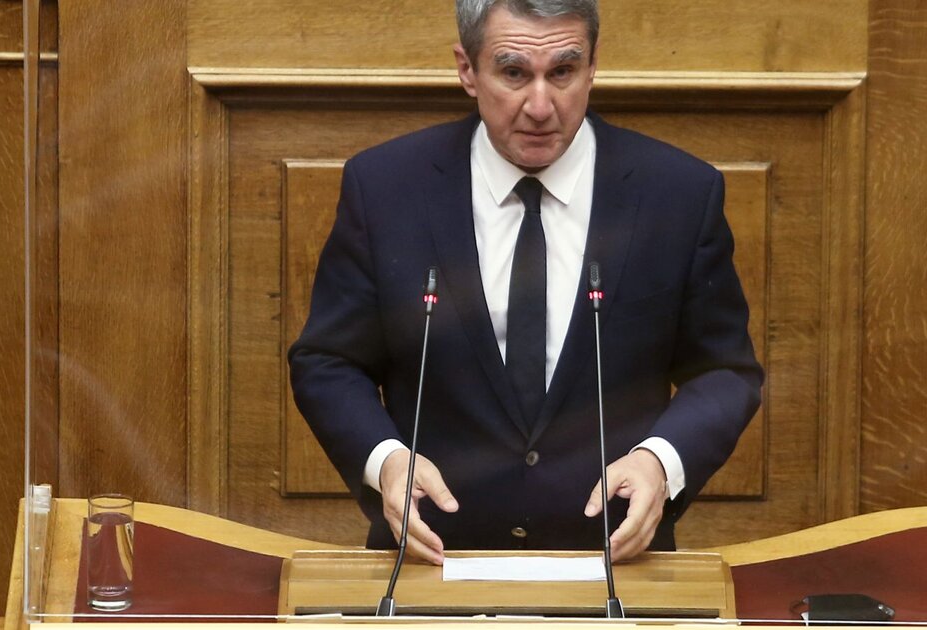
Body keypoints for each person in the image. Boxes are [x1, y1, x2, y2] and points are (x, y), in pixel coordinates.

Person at [288, 0, 763, 565]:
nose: (541, 106)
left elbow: (723, 371)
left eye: (563, 71)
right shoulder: (386, 188)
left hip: (614, 565)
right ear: (467, 69)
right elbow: (329, 361)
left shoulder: (678, 193)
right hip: (432, 562)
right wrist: (386, 459)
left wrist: (661, 461)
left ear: (592, 66)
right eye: (513, 72)